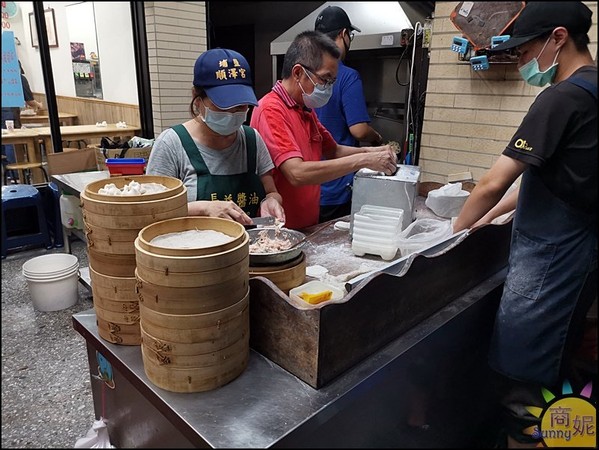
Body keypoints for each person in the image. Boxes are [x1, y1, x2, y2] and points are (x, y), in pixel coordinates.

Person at [453, 2, 597, 447]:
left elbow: (493, 183)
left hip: (551, 265)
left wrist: (450, 236)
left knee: (522, 389)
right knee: (554, 379)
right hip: (578, 258)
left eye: (522, 50)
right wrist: (487, 221)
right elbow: (543, 177)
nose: (519, 62)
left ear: (558, 37)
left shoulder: (561, 97)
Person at [250, 30, 397, 230]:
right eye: (325, 79)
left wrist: (375, 152)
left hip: (307, 224)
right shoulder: (270, 109)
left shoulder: (305, 109)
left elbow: (333, 150)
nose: (328, 87)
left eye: (332, 82)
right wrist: (364, 160)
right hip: (281, 229)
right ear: (298, 73)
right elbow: (296, 173)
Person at [146, 48, 285, 226]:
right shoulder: (171, 144)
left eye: (241, 106)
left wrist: (271, 201)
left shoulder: (252, 139)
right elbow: (153, 210)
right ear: (197, 99)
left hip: (247, 248)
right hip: (193, 250)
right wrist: (203, 208)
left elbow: (271, 191)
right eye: (224, 106)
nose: (233, 113)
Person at [314, 5, 385, 223]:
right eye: (350, 35)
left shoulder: (305, 75)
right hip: (337, 184)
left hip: (309, 183)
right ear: (344, 34)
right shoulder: (346, 75)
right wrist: (377, 138)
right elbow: (359, 130)